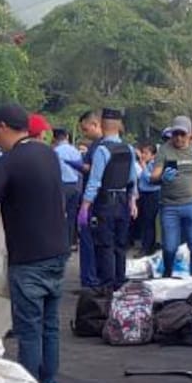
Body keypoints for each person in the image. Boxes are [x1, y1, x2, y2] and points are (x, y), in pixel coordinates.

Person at [0, 104, 69, 383]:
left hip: (28, 256)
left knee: (28, 330)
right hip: (58, 252)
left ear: (1, 126)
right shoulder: (48, 154)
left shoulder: (10, 161)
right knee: (50, 326)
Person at [79, 107, 139, 290]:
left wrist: (84, 206)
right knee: (120, 246)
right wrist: (133, 202)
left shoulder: (102, 150)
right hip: (123, 200)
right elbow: (132, 179)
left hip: (105, 202)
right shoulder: (128, 149)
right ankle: (120, 285)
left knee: (105, 246)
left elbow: (95, 181)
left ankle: (106, 288)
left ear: (102, 125)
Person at [148, 116, 192, 277]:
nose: (178, 138)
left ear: (190, 134)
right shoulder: (165, 150)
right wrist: (161, 177)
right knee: (170, 247)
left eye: (182, 134)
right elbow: (153, 176)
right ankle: (168, 273)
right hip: (170, 206)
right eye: (175, 134)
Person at [76, 110, 104, 288]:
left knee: (89, 242)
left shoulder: (100, 148)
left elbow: (94, 173)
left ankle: (90, 281)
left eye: (86, 130)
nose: (84, 134)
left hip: (93, 200)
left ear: (95, 125)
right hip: (97, 200)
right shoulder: (97, 145)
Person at [52, 128, 83, 249]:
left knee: (59, 214)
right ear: (66, 136)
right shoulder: (75, 150)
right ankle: (72, 242)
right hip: (75, 185)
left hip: (62, 185)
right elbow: (80, 168)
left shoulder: (55, 151)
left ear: (55, 138)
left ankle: (60, 243)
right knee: (72, 215)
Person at [134, 141, 160, 256]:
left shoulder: (154, 165)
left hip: (152, 194)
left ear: (153, 155)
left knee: (149, 221)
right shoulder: (140, 164)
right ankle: (145, 243)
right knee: (143, 221)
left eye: (146, 153)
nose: (143, 155)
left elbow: (150, 179)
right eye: (142, 153)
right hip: (143, 193)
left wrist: (144, 167)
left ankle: (147, 247)